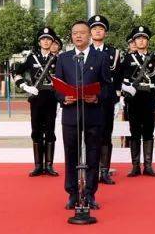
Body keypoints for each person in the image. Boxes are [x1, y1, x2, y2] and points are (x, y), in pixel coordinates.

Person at [53, 20, 113, 210]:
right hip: (71, 114)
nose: (78, 36)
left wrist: (96, 98)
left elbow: (107, 86)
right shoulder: (63, 58)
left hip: (93, 114)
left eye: (81, 32)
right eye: (74, 33)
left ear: (89, 35)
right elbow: (57, 86)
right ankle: (72, 193)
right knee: (71, 154)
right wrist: (63, 98)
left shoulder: (100, 57)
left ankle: (90, 193)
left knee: (93, 154)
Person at [13, 27, 61, 177]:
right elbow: (15, 71)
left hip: (52, 98)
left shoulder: (58, 59)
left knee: (50, 131)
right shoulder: (31, 58)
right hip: (36, 97)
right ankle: (38, 166)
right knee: (36, 130)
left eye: (48, 39)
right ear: (39, 41)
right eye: (43, 39)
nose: (46, 41)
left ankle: (49, 166)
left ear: (52, 42)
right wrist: (24, 86)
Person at [120, 26, 155, 178]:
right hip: (134, 99)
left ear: (147, 41)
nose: (141, 40)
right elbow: (123, 79)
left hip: (149, 98)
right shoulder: (128, 58)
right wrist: (123, 96)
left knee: (149, 132)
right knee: (134, 132)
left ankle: (149, 166)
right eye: (138, 38)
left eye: (144, 38)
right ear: (134, 41)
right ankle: (135, 166)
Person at [88, 15, 124, 185]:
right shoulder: (85, 51)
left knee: (105, 136)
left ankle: (104, 171)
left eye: (100, 29)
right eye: (94, 28)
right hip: (89, 99)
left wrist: (117, 99)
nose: (97, 31)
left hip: (108, 99)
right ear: (90, 32)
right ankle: (91, 171)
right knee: (90, 136)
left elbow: (118, 77)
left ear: (105, 33)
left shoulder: (114, 53)